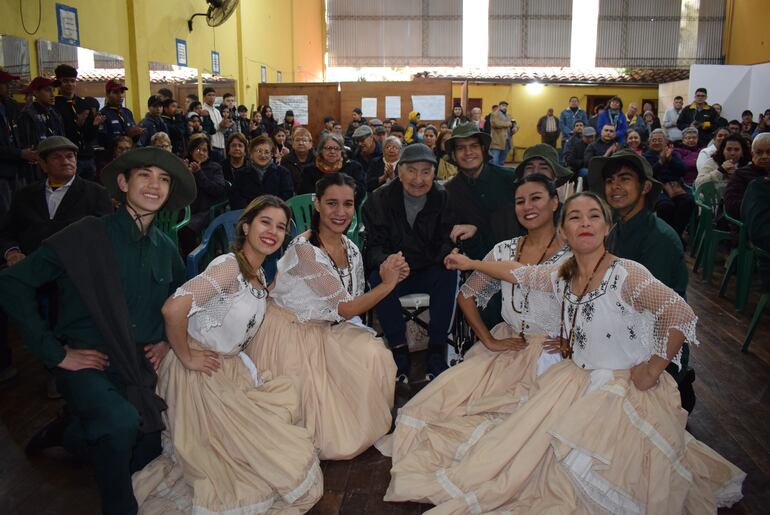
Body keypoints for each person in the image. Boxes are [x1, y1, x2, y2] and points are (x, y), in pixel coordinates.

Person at [386, 192, 746, 514]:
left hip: (621, 389)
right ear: (565, 232)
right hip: (579, 377)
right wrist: (473, 265)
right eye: (575, 217)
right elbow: (520, 273)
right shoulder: (562, 274)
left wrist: (654, 368)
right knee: (527, 453)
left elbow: (679, 313)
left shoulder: (626, 274)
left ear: (607, 227)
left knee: (573, 468)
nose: (585, 223)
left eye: (594, 216)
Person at [0, 146, 197, 514]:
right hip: (87, 361)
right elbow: (12, 284)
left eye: (164, 179)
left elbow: (178, 305)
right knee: (120, 425)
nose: (155, 185)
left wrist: (166, 342)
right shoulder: (87, 234)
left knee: (146, 450)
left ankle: (69, 434)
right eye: (145, 175)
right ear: (123, 183)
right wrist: (54, 352)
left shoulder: (167, 249)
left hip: (136, 367)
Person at [132, 196, 323, 513]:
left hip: (226, 367)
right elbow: (174, 309)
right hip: (198, 372)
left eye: (280, 227)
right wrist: (185, 354)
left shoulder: (258, 274)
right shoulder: (228, 267)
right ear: (245, 226)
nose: (272, 232)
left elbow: (256, 301)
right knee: (252, 467)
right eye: (265, 222)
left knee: (275, 448)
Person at [378, 173, 571, 461]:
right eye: (520, 201)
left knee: (517, 430)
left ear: (555, 202)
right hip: (511, 344)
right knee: (440, 406)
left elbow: (569, 294)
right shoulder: (506, 249)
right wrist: (489, 340)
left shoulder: (572, 252)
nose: (527, 206)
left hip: (553, 354)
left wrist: (574, 338)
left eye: (536, 198)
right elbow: (466, 295)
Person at [245, 173, 402, 460]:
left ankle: (367, 413)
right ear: (317, 204)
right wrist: (388, 283)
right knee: (327, 427)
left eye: (348, 204)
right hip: (289, 332)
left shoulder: (351, 248)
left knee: (374, 354)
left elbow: (349, 302)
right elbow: (347, 308)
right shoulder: (305, 250)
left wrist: (386, 273)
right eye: (332, 203)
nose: (340, 212)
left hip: (326, 327)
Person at [587, 150, 695, 409]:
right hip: (624, 335)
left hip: (651, 355)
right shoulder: (616, 230)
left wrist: (651, 370)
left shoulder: (659, 239)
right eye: (610, 180)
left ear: (645, 186)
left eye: (624, 178)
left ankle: (680, 387)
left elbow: (664, 316)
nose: (615, 186)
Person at [364, 144, 459, 383]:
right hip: (397, 272)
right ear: (399, 172)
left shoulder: (443, 197)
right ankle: (398, 348)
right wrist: (390, 261)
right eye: (412, 171)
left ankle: (437, 349)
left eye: (426, 172)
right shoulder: (379, 199)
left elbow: (446, 241)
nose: (419, 179)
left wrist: (439, 257)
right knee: (378, 277)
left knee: (449, 273)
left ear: (434, 173)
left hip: (429, 268)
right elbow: (373, 247)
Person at [53, 64, 102, 181]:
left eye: (72, 81)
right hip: (68, 157)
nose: (70, 84)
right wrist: (76, 124)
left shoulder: (83, 104)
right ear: (59, 82)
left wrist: (95, 125)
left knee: (89, 191)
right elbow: (58, 133)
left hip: (87, 156)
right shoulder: (55, 105)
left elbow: (89, 136)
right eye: (65, 81)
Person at [178, 136, 226, 255]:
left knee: (186, 229)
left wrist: (199, 173)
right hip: (185, 209)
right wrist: (183, 174)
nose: (202, 153)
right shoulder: (185, 165)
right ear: (191, 151)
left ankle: (191, 263)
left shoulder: (215, 167)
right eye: (198, 149)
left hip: (205, 210)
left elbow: (217, 190)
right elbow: (176, 190)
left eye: (205, 150)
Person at [644, 129, 695, 238]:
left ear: (666, 142)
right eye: (654, 140)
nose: (657, 142)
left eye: (660, 140)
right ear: (649, 143)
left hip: (676, 187)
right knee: (665, 206)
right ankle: (666, 236)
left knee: (688, 201)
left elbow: (683, 170)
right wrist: (660, 162)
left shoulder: (674, 154)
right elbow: (648, 176)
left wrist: (670, 159)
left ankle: (675, 235)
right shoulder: (646, 157)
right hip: (657, 188)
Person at [15, 76, 65, 183]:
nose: (52, 95)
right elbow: (27, 144)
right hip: (37, 167)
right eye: (48, 90)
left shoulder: (54, 113)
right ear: (36, 93)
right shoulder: (27, 114)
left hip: (56, 163)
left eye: (53, 90)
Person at [299, 133, 366, 207]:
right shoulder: (309, 170)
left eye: (336, 148)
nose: (332, 152)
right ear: (321, 150)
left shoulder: (354, 167)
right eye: (328, 148)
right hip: (316, 210)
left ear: (342, 151)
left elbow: (361, 192)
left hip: (347, 208)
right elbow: (304, 195)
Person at [230, 135, 293, 209]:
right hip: (248, 214)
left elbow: (287, 195)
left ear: (271, 154)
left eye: (267, 152)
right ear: (251, 154)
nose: (263, 155)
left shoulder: (283, 173)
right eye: (259, 151)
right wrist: (250, 210)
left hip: (275, 213)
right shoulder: (241, 174)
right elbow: (235, 198)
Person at [0, 69, 31, 210]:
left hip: (17, 168)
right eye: (5, 83)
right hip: (3, 172)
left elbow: (18, 134)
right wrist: (19, 153)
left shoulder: (10, 106)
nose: (9, 87)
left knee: (21, 209)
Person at [725, 132, 770, 219]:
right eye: (759, 152)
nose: (764, 156)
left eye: (769, 152)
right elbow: (731, 205)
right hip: (750, 224)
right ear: (752, 154)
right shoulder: (741, 175)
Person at [99, 79, 143, 154]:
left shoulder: (127, 112)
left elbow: (134, 140)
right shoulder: (103, 114)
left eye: (122, 92)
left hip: (128, 154)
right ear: (108, 94)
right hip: (112, 158)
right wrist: (127, 134)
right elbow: (103, 141)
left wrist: (137, 134)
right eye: (116, 92)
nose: (120, 96)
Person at [282, 127, 315, 192]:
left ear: (310, 144)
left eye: (304, 140)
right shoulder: (285, 159)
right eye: (297, 140)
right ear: (292, 143)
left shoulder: (317, 159)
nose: (300, 143)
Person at [201, 87, 229, 163]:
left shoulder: (217, 111)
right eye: (209, 95)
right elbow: (208, 130)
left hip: (221, 145)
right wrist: (220, 125)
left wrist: (225, 126)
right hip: (212, 145)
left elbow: (222, 130)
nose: (212, 97)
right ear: (204, 97)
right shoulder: (203, 110)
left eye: (213, 95)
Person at [489, 100, 515, 166]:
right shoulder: (494, 114)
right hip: (497, 141)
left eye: (506, 106)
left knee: (502, 161)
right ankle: (492, 175)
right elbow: (495, 123)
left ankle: (499, 174)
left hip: (507, 141)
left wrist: (515, 128)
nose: (504, 107)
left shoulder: (509, 115)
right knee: (494, 161)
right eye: (503, 106)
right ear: (499, 106)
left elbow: (514, 123)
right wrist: (507, 124)